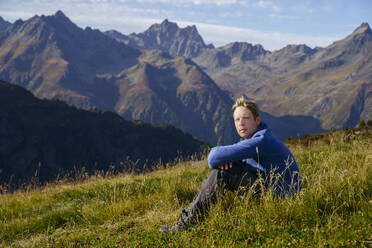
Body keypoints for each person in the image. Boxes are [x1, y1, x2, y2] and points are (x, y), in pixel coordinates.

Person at [159, 96, 302, 233]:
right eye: (237, 120)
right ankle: (190, 217)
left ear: (257, 120)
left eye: (246, 118)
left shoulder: (262, 140)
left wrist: (227, 163)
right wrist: (229, 161)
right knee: (225, 168)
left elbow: (212, 158)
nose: (241, 123)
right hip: (275, 195)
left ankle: (189, 222)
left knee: (222, 172)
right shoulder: (253, 139)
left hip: (279, 201)